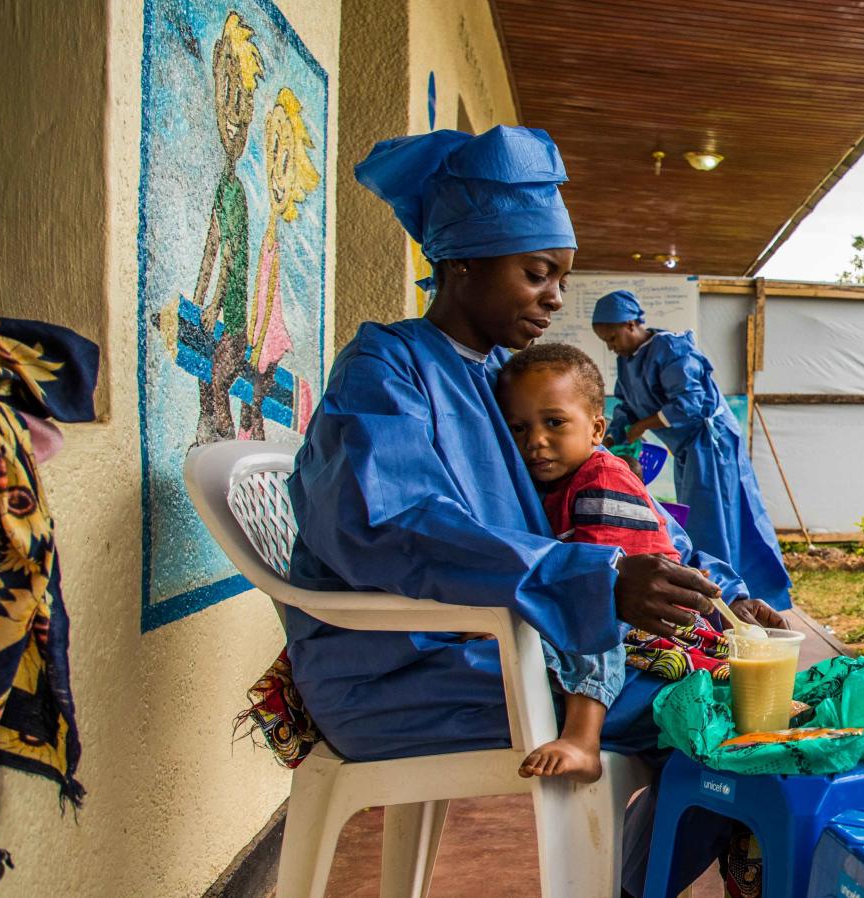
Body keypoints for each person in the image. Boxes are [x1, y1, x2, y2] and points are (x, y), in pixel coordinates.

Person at [285, 125, 778, 893]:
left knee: (745, 691)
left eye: (559, 278)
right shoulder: (387, 367)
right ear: (463, 261)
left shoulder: (499, 385)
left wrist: (716, 584)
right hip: (406, 668)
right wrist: (595, 582)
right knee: (727, 716)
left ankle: (625, 884)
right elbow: (391, 527)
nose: (555, 298)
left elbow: (611, 505)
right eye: (539, 274)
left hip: (501, 649)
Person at [494, 342, 743, 783]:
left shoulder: (601, 479)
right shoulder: (553, 482)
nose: (535, 441)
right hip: (632, 612)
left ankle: (582, 737)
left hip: (654, 620)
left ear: (595, 429)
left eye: (554, 423)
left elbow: (597, 585)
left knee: (586, 608)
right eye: (517, 428)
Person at [591, 290, 794, 609]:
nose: (611, 346)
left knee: (717, 520)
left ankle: (736, 600)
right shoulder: (627, 361)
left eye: (613, 337)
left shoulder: (670, 348)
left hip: (711, 442)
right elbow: (627, 407)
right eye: (606, 342)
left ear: (632, 324)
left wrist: (643, 426)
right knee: (699, 520)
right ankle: (710, 594)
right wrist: (609, 440)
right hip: (688, 447)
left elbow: (692, 403)